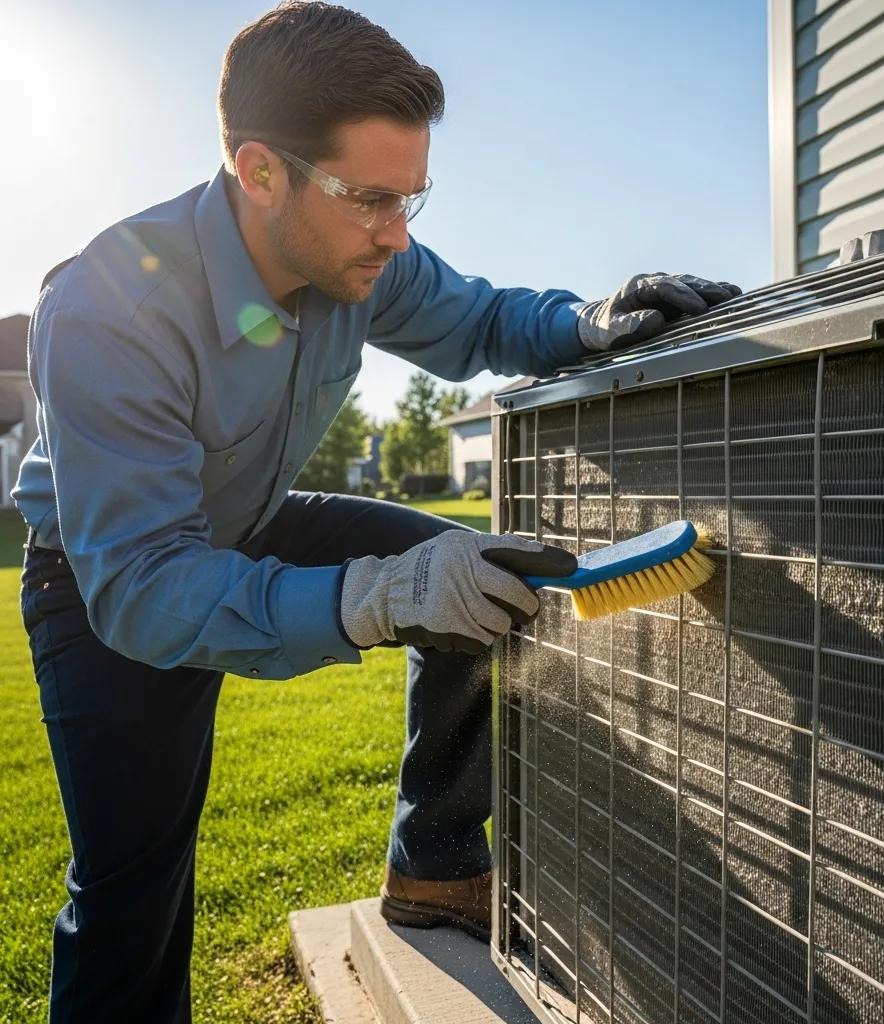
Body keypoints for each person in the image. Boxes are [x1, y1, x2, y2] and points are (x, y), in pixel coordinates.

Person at [13, 3, 740, 1021]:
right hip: (105, 577)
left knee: (472, 572)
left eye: (414, 198)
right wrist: (377, 596)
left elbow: (485, 316)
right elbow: (145, 591)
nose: (397, 235)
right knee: (135, 887)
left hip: (252, 516)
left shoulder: (359, 261)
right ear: (259, 171)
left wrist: (585, 320)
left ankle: (435, 857)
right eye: (369, 199)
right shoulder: (107, 306)